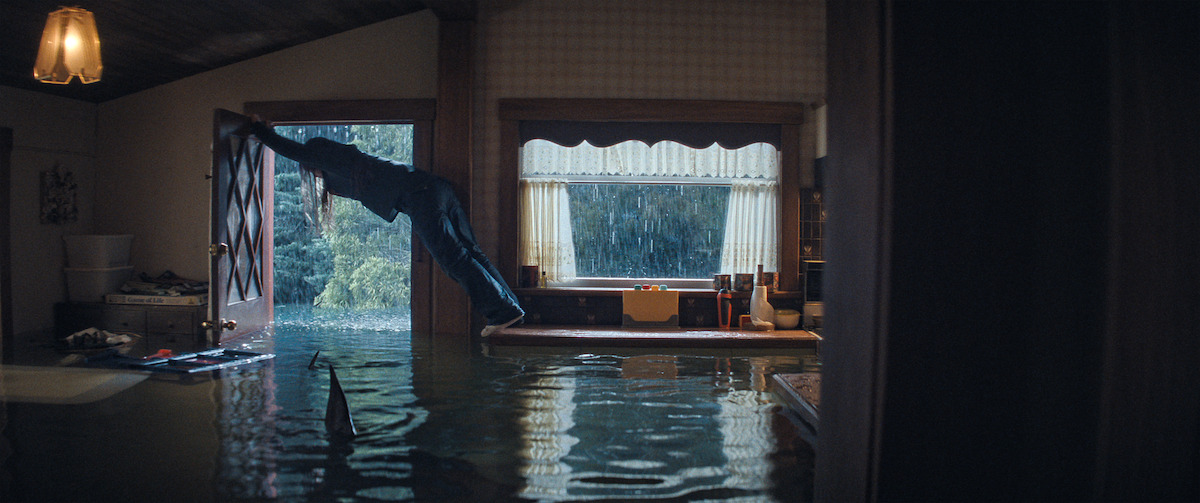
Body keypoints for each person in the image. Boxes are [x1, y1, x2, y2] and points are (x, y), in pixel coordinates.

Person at [244, 119, 523, 337]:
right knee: (472, 254)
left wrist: (261, 132)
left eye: (310, 164)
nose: (312, 171)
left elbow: (293, 150)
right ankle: (511, 308)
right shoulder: (352, 164)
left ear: (317, 157)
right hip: (437, 188)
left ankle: (501, 312)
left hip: (420, 196)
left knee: (454, 259)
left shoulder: (334, 159)